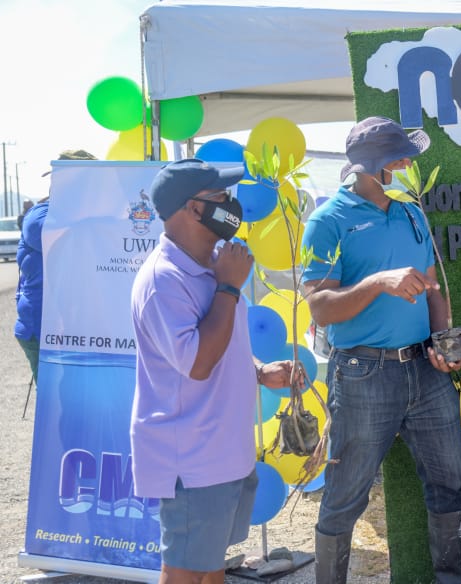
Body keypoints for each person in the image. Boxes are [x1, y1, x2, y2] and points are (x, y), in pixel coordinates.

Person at [301, 116, 461, 584]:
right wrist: (377, 282)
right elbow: (318, 308)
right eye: (399, 154)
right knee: (345, 497)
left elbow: (433, 285)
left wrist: (443, 342)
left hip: (427, 372)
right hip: (361, 377)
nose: (408, 161)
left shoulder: (413, 212)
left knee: (449, 482)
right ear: (373, 164)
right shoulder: (327, 221)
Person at [129, 159, 304, 583]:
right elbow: (197, 362)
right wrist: (229, 287)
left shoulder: (211, 264)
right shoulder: (164, 279)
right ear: (192, 208)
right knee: (186, 570)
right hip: (193, 458)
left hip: (224, 452)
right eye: (222, 197)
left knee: (211, 568)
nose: (232, 204)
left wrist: (260, 371)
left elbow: (220, 343)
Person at [14, 149, 97, 383]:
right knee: (54, 399)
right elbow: (58, 236)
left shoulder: (80, 212)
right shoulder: (39, 215)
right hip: (42, 326)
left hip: (72, 327)